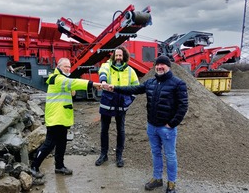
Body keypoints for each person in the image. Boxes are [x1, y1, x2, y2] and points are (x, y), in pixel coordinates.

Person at [106, 55, 188, 193]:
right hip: (152, 126)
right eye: (157, 65)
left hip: (167, 128)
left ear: (169, 66)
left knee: (170, 155)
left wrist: (172, 124)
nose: (159, 67)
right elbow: (133, 89)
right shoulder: (150, 82)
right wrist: (114, 88)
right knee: (156, 153)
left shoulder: (178, 84)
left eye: (162, 65)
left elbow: (183, 106)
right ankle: (157, 179)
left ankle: (171, 183)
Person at [30, 57, 101, 177]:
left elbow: (70, 88)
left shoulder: (62, 78)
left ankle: (59, 166)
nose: (68, 69)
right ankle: (34, 167)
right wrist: (92, 84)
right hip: (56, 117)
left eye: (69, 66)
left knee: (62, 142)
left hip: (62, 117)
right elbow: (73, 83)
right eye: (65, 66)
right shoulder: (57, 78)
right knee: (50, 144)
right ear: (59, 67)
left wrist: (71, 90)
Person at [95, 45, 139, 168]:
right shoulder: (107, 66)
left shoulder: (130, 70)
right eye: (116, 55)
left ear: (124, 56)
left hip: (121, 104)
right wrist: (103, 81)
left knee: (121, 130)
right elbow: (103, 72)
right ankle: (103, 154)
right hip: (107, 102)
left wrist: (130, 100)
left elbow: (136, 86)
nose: (118, 57)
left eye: (120, 55)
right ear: (113, 56)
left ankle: (119, 156)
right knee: (104, 129)